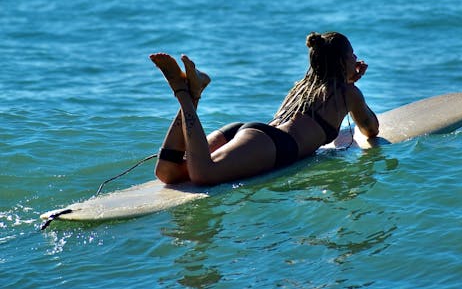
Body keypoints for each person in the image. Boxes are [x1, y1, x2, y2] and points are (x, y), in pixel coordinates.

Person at [150, 31, 379, 187]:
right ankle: (184, 93)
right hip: (272, 144)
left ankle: (194, 94)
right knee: (203, 173)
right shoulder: (347, 94)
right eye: (353, 56)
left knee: (168, 173)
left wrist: (347, 80)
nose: (357, 59)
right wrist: (352, 86)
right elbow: (371, 128)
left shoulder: (303, 88)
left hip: (249, 134)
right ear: (341, 62)